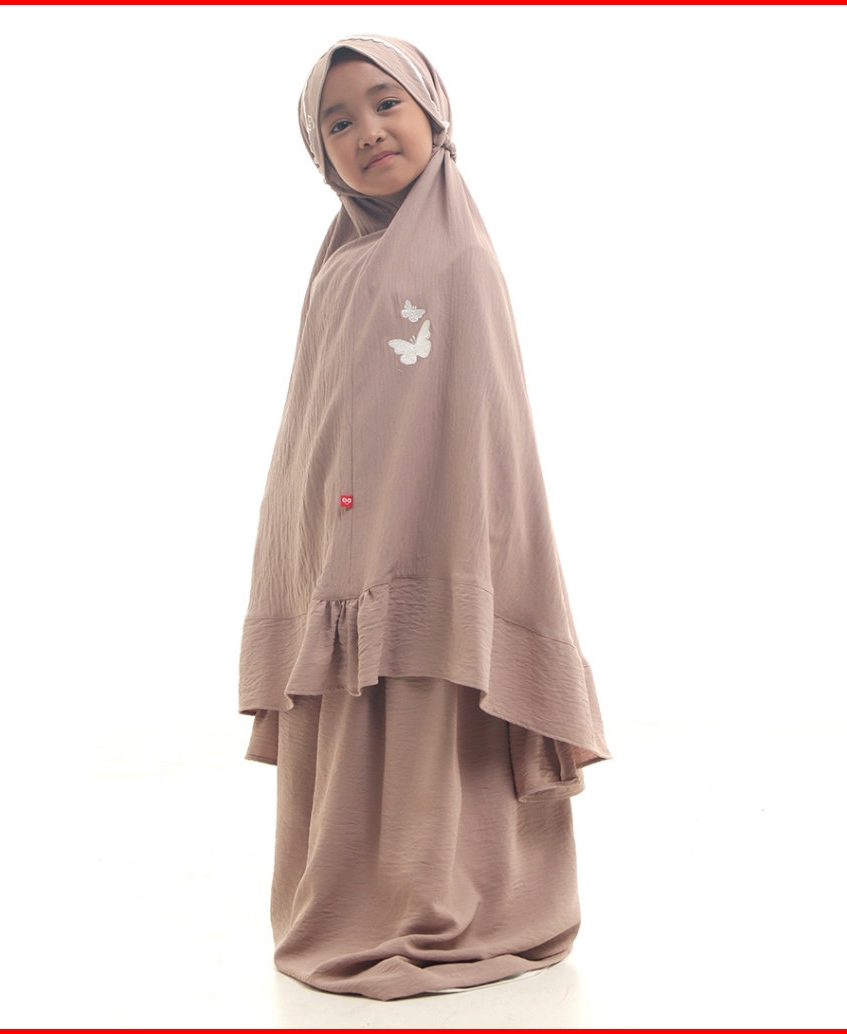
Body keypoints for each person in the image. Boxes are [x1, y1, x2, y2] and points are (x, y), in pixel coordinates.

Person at [237, 35, 611, 1001]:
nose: (367, 131)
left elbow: (486, 434)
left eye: (386, 103)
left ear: (433, 113)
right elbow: (314, 424)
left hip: (436, 539)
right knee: (355, 711)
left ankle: (445, 897)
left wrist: (439, 548)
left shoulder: (460, 258)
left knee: (429, 702)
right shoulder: (338, 264)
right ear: (320, 153)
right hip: (337, 547)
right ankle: (356, 896)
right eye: (338, 122)